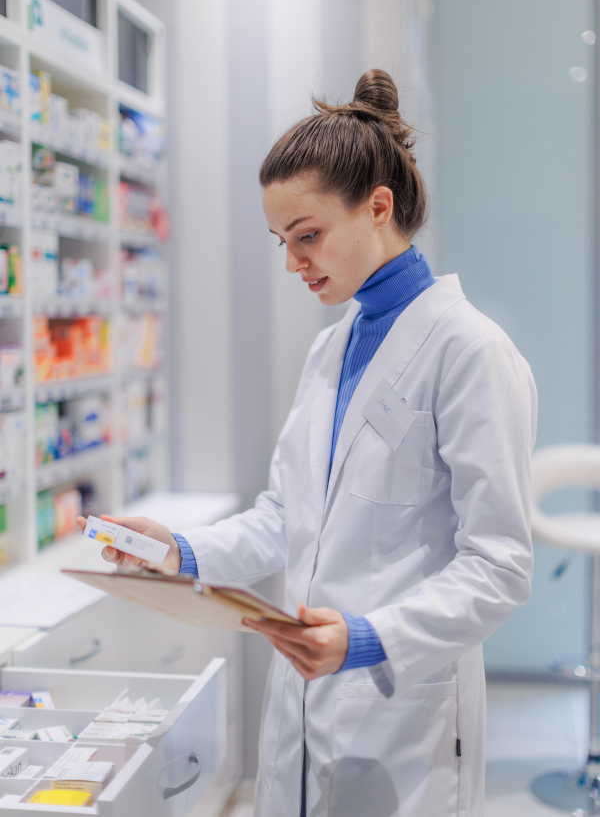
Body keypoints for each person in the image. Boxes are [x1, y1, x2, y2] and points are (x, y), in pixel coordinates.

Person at [78, 69, 537, 817]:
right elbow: (284, 517)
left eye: (308, 236)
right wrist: (179, 552)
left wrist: (365, 639)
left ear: (379, 207)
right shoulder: (332, 350)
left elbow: (500, 565)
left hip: (403, 711)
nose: (294, 262)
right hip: (306, 697)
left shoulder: (470, 351)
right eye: (282, 241)